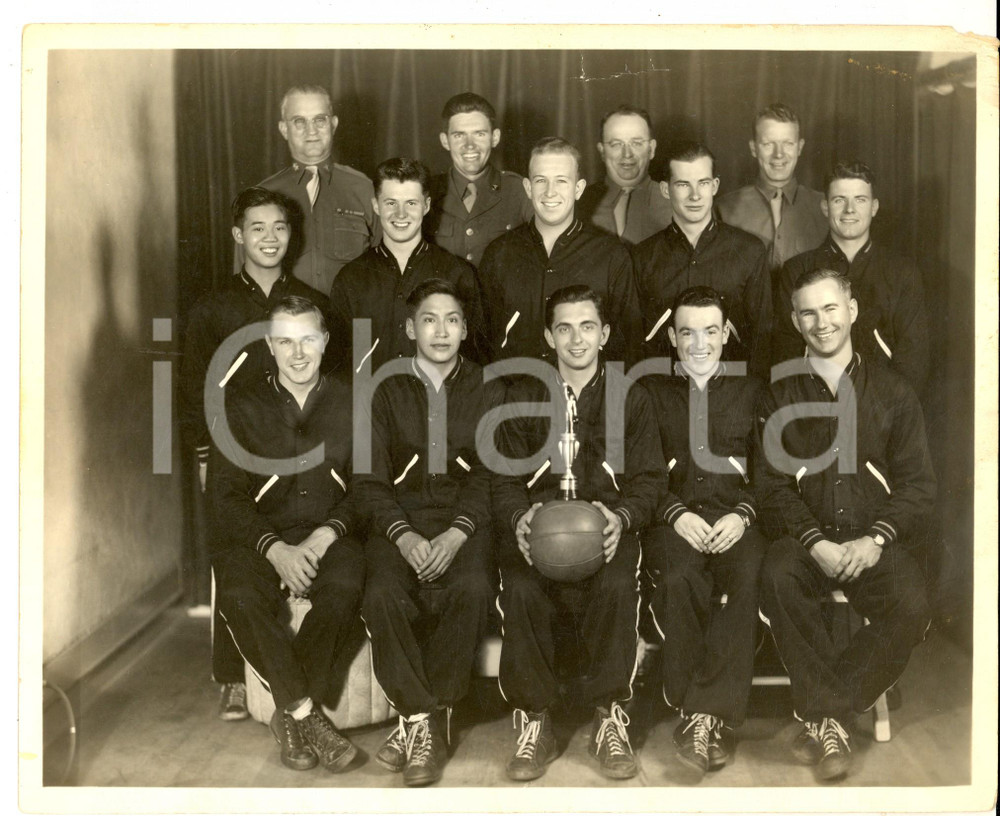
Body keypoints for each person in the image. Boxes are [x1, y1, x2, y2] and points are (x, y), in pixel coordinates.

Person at [756, 268, 934, 782]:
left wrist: (877, 539)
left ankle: (827, 709)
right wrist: (813, 542)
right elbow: (769, 487)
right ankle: (828, 719)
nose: (821, 322)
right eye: (808, 312)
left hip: (870, 541)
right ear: (795, 321)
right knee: (775, 575)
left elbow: (919, 487)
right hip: (805, 543)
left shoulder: (895, 392)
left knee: (913, 602)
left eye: (830, 308)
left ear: (851, 310)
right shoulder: (778, 394)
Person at [492, 285, 666, 781]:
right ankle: (535, 719)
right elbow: (502, 480)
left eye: (587, 326)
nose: (576, 339)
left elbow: (651, 478)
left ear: (605, 334)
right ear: (548, 335)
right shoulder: (522, 395)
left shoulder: (631, 394)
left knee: (616, 584)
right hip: (542, 529)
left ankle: (610, 714)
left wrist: (623, 518)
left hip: (606, 527)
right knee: (522, 587)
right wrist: (519, 518)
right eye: (564, 328)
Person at [180, 187, 329, 722]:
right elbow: (193, 387)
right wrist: (203, 454)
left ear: (293, 236)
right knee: (235, 552)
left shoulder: (313, 303)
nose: (270, 238)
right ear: (238, 235)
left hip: (297, 452)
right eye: (258, 228)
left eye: (280, 228)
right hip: (232, 454)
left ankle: (294, 678)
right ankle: (232, 676)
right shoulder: (212, 307)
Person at [209, 296, 365, 775]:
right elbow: (226, 497)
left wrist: (324, 535)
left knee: (345, 587)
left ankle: (290, 714)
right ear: (269, 346)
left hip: (328, 534)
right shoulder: (239, 406)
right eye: (285, 342)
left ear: (326, 342)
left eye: (308, 340)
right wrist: (275, 550)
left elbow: (367, 488)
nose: (298, 353)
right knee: (236, 592)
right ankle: (305, 713)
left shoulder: (354, 402)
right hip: (262, 537)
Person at [355, 279, 496, 787]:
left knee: (473, 587)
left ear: (464, 328)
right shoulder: (382, 387)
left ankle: (419, 724)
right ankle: (424, 718)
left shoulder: (486, 384)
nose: (441, 330)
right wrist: (404, 536)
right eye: (430, 320)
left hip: (464, 520)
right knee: (383, 593)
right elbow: (368, 481)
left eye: (452, 320)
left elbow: (490, 472)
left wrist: (459, 532)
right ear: (410, 327)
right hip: (401, 520)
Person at [641, 286, 766, 779]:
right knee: (678, 581)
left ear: (725, 334)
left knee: (744, 582)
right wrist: (675, 514)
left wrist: (742, 516)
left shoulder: (754, 392)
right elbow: (642, 473)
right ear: (672, 337)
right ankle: (701, 714)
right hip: (675, 524)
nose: (699, 343)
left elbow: (770, 476)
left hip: (739, 523)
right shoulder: (650, 394)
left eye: (710, 331)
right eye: (687, 332)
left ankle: (702, 716)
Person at [478, 137, 643, 367]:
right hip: (516, 394)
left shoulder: (612, 255)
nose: (550, 192)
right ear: (527, 187)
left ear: (578, 189)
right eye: (541, 181)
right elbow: (482, 342)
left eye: (561, 181)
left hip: (587, 397)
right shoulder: (499, 254)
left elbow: (628, 345)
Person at [772, 161, 929, 396]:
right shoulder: (796, 270)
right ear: (825, 207)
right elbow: (786, 353)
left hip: (883, 411)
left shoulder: (902, 272)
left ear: (874, 207)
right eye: (839, 200)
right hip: (814, 409)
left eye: (860, 199)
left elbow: (913, 360)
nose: (849, 210)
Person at [327, 158, 489, 372]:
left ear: (427, 205)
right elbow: (338, 364)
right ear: (376, 205)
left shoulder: (457, 273)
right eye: (391, 203)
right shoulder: (351, 279)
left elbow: (475, 359)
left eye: (411, 203)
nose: (400, 214)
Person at [632, 141, 772, 379]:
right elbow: (633, 342)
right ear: (666, 190)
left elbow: (763, 338)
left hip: (732, 394)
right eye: (683, 184)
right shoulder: (642, 257)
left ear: (715, 186)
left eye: (703, 183)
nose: (695, 195)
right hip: (662, 394)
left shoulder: (749, 251)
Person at [239, 84, 378, 295]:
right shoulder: (263, 195)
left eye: (319, 120)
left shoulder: (363, 188)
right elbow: (244, 281)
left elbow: (385, 270)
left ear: (333, 124)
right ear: (284, 129)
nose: (311, 131)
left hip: (352, 324)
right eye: (299, 121)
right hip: (284, 325)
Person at [425, 92, 534, 267]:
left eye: (479, 134)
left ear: (495, 138)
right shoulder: (427, 191)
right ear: (445, 141)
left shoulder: (518, 190)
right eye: (459, 135)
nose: (470, 145)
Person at [716, 102, 827, 274]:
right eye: (768, 144)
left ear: (800, 147)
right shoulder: (724, 209)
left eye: (788, 143)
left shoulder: (825, 207)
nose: (779, 154)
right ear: (754, 148)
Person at [577, 105, 671, 245]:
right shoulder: (578, 203)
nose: (627, 154)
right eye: (616, 144)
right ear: (602, 151)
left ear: (651, 149)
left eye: (637, 143)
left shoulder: (675, 203)